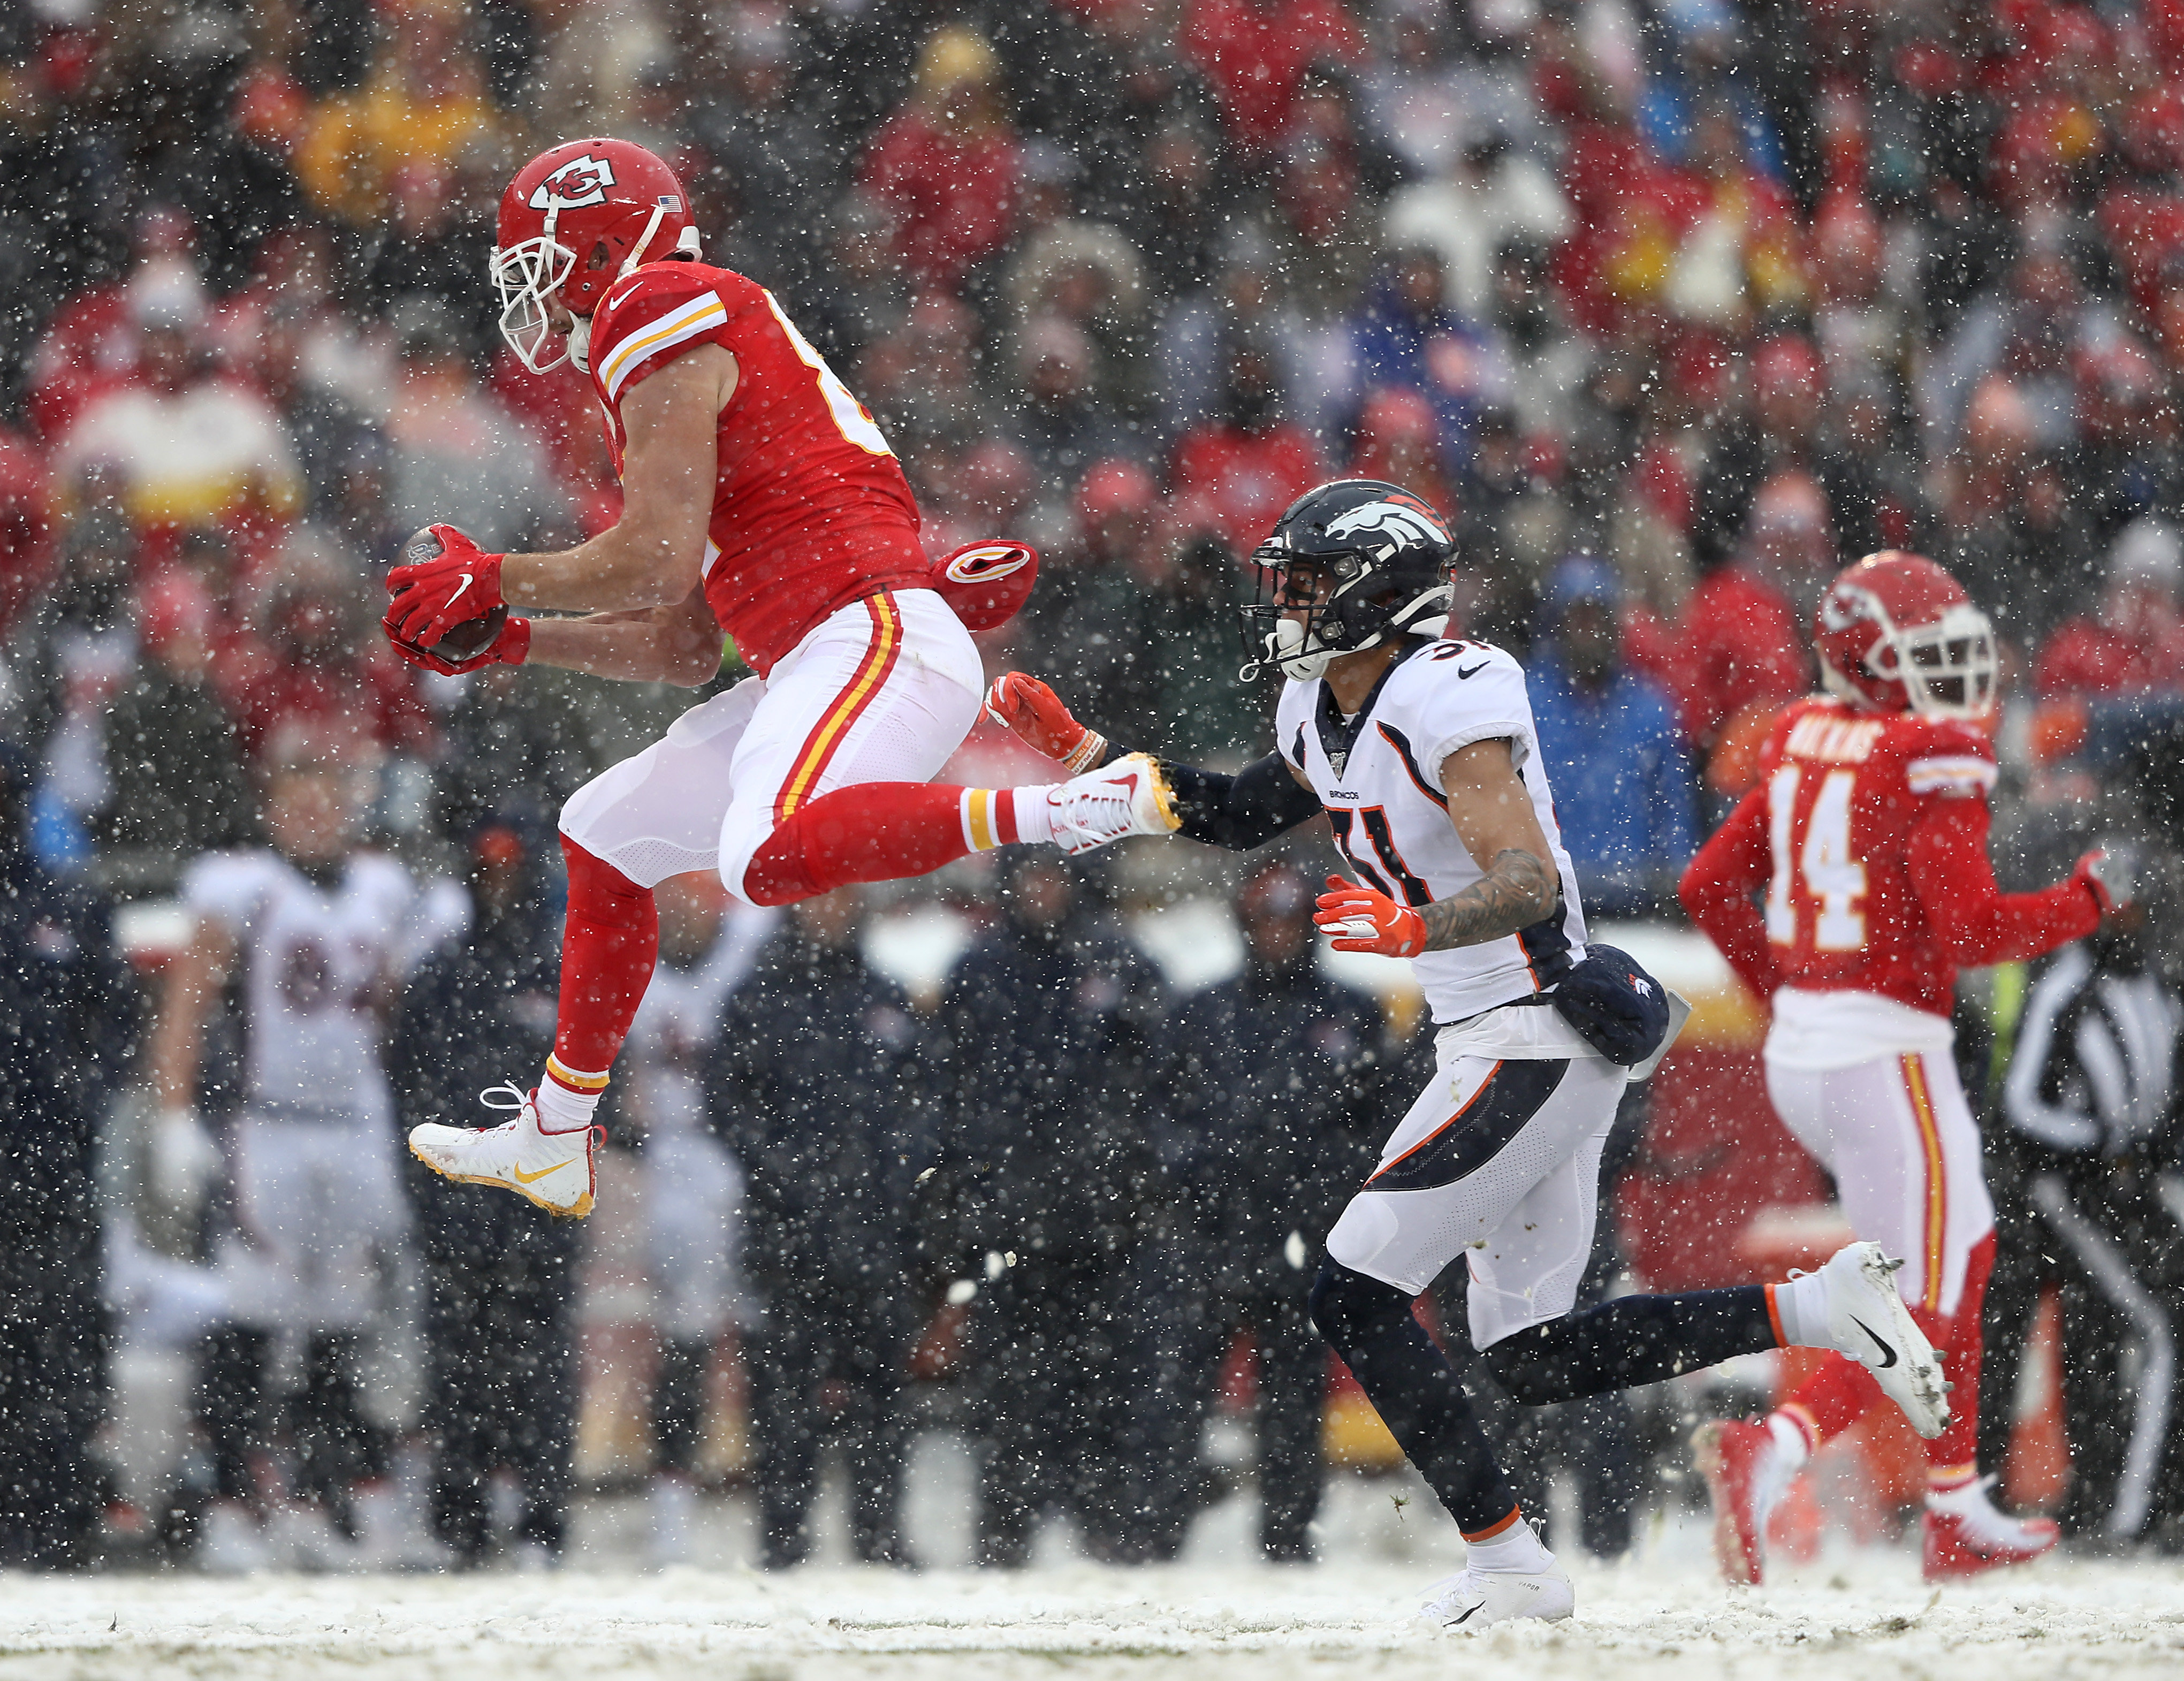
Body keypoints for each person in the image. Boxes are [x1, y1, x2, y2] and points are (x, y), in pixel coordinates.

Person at [985, 477, 1950, 1627]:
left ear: (1375, 595)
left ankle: (1510, 1565)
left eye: (1305, 584)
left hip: (1534, 1026)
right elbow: (1240, 810)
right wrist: (1092, 754)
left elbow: (1527, 876)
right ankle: (1820, 1308)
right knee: (1533, 1351)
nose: (1283, 604)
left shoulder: (1447, 693)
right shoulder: (1321, 704)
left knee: (1352, 1287)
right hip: (1489, 1036)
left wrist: (1413, 927)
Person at [389, 138, 1180, 1218]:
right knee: (602, 830)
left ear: (601, 246)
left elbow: (652, 558)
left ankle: (1073, 808)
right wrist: (513, 636)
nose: (525, 287)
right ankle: (556, 1132)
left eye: (536, 259)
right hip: (831, 646)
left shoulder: (653, 303)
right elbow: (675, 641)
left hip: (867, 635)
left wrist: (491, 576)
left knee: (761, 853)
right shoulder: (682, 345)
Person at [1678, 550, 2128, 1585]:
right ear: (1876, 660)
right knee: (1921, 1299)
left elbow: (1708, 885)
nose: (1957, 672)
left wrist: (1787, 995)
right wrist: (2082, 905)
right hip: (1888, 1056)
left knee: (1963, 1256)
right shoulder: (1931, 754)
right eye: (1931, 651)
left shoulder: (1796, 737)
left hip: (1814, 1051)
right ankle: (1775, 1449)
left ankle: (1955, 1502)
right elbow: (1969, 929)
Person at [148, 762, 453, 1571]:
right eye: (297, 800)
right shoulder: (244, 887)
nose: (314, 815)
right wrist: (174, 1113)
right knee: (251, 1321)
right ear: (272, 807)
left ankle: (322, 1498)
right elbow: (190, 996)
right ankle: (227, 1505)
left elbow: (390, 1011)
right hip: (270, 1124)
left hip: (355, 1124)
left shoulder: (383, 888)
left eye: (326, 799)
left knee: (341, 1322)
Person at [1163, 859, 1389, 1561]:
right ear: (1243, 923)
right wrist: (1200, 1175)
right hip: (1215, 1235)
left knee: (1293, 1400)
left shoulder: (1352, 1011)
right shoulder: (1200, 1011)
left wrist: (1326, 1188)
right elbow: (1164, 1117)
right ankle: (1156, 1533)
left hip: (1305, 1235)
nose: (1277, 935)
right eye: (1265, 919)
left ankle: (1288, 1539)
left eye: (1290, 921)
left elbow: (1374, 1127)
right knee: (1178, 1398)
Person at [702, 887, 924, 1570]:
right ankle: (784, 1537)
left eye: (844, 899)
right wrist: (789, 1176)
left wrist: (896, 1182)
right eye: (818, 900)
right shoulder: (759, 998)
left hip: (878, 1231)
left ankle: (879, 1533)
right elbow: (728, 1104)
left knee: (883, 1395)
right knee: (783, 1394)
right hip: (787, 1231)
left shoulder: (886, 996)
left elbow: (923, 1103)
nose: (832, 911)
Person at [392, 820, 581, 1568]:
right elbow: (407, 1087)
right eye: (487, 871)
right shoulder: (441, 977)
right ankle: (461, 1525)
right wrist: (435, 1184)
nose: (499, 887)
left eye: (512, 871)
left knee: (540, 1371)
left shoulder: (564, 975)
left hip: (538, 1208)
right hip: (457, 1204)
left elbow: (597, 1087)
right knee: (458, 1370)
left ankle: (541, 1524)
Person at [620, 876, 775, 1565]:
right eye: (672, 891)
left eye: (695, 888)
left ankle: (783, 1508)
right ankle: (673, 1511)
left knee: (773, 1330)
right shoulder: (630, 952)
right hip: (674, 1157)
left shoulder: (755, 945)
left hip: (760, 1157)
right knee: (683, 1340)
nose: (684, 904)